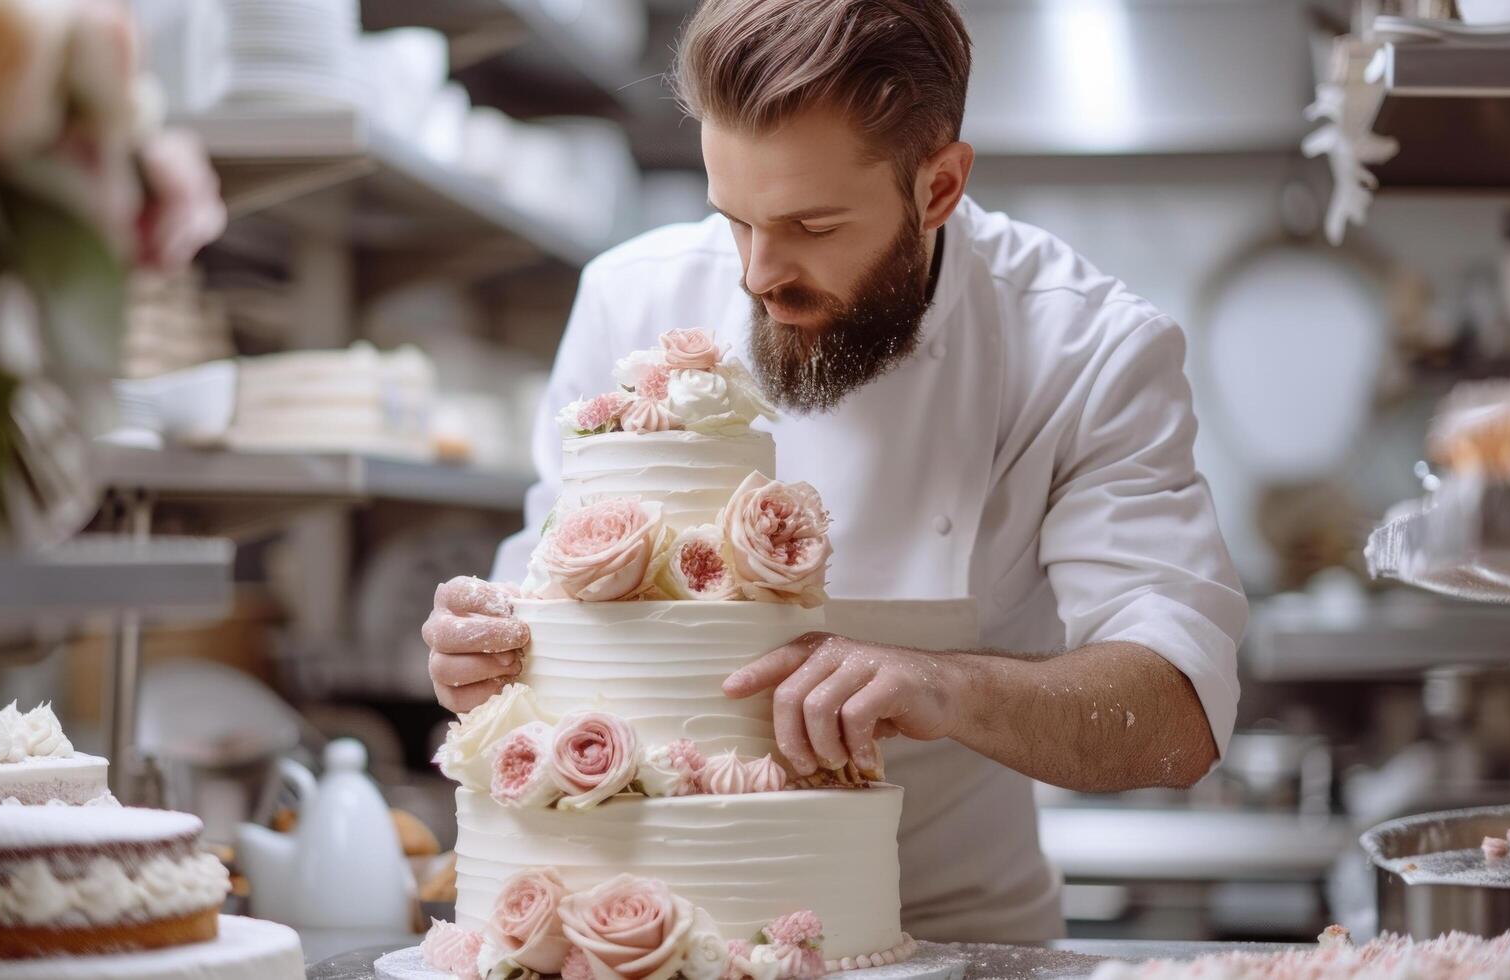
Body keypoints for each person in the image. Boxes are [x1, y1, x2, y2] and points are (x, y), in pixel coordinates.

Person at [421, 0, 1246, 942]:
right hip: (644, 930)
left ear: (937, 188)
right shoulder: (629, 298)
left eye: (811, 225)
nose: (756, 275)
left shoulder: (1085, 350)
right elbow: (540, 617)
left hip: (960, 931)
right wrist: (488, 651)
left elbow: (1178, 713)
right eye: (731, 217)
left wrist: (945, 687)